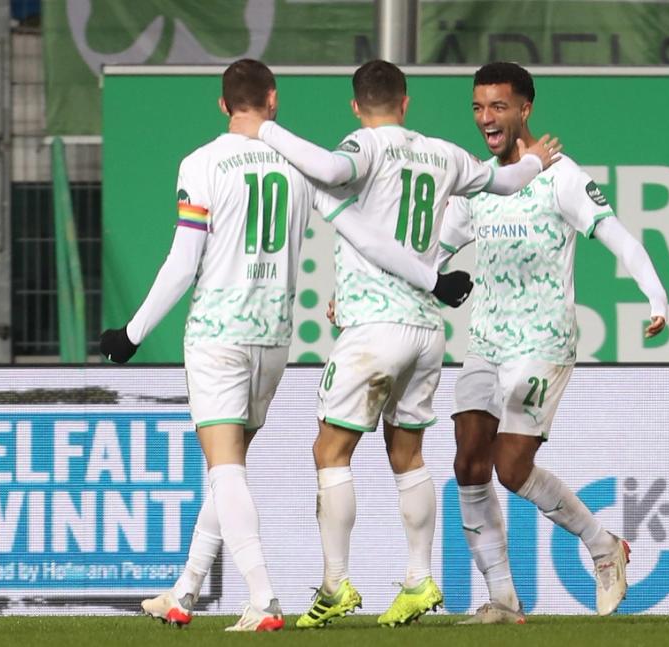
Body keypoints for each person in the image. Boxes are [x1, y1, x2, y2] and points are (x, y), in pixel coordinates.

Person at [99, 59, 472, 632]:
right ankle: (186, 591)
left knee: (225, 469)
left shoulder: (202, 163)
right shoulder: (297, 166)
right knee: (228, 468)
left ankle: (262, 597)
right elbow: (366, 236)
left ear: (224, 105)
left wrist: (132, 333)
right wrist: (432, 278)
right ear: (272, 101)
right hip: (273, 339)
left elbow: (182, 262)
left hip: (219, 335)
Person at [228, 59, 562, 628]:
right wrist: (533, 161)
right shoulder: (444, 153)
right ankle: (417, 578)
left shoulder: (362, 146)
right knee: (407, 454)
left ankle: (335, 585)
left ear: (357, 106)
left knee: (329, 452)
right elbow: (505, 182)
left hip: (374, 328)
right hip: (427, 331)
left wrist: (265, 129)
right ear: (406, 103)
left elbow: (333, 168)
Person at [437, 62, 669, 624]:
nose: (486, 119)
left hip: (543, 342)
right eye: (477, 107)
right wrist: (360, 295)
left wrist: (656, 296)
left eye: (498, 106)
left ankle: (603, 545)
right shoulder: (479, 182)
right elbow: (430, 253)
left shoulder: (560, 175)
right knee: (469, 462)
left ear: (524, 109)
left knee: (511, 469)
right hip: (487, 341)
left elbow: (617, 235)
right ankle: (502, 599)